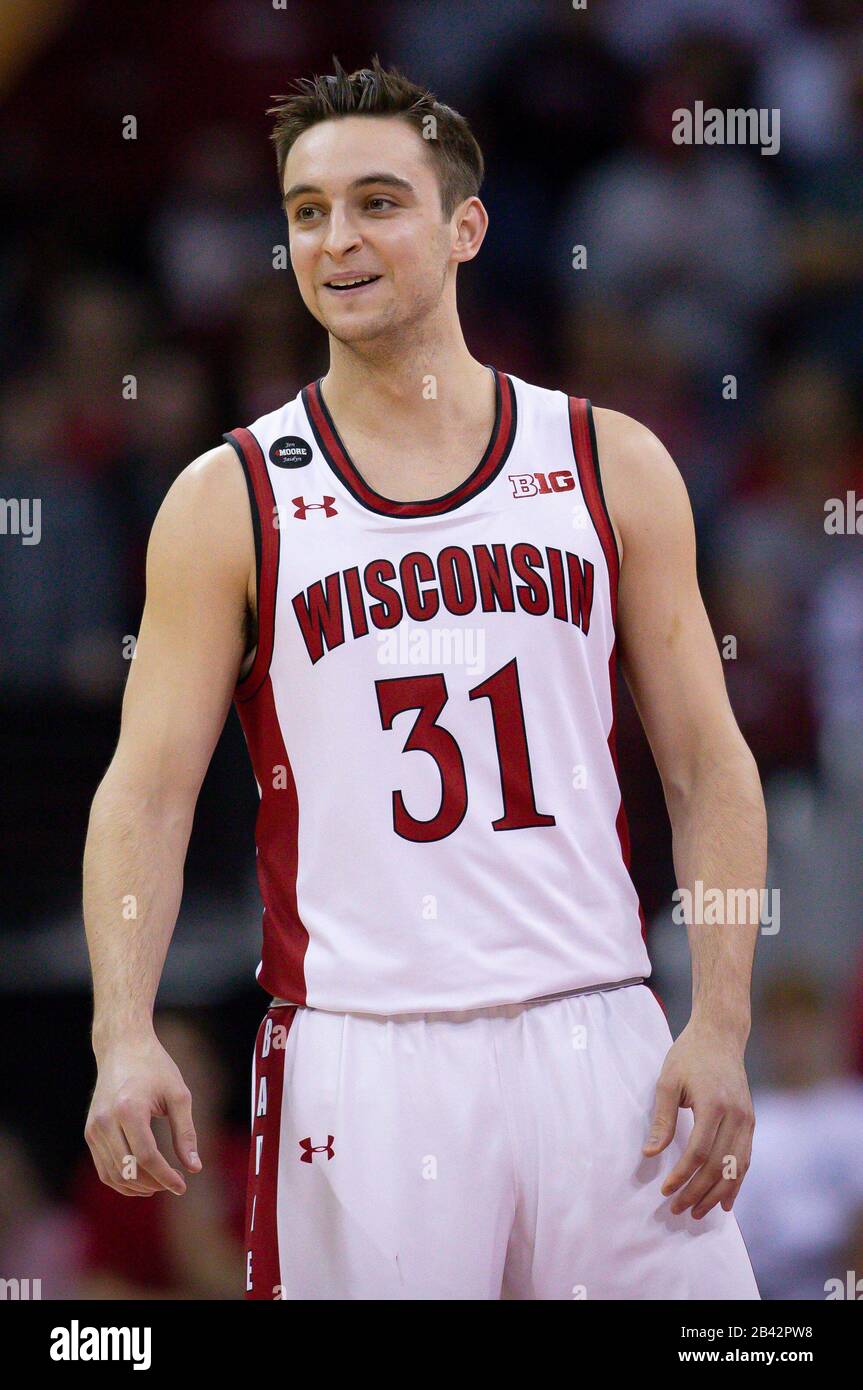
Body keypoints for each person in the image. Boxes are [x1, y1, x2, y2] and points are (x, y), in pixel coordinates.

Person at [83, 56, 764, 1300]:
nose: (335, 238)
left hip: (598, 1030)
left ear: (464, 228)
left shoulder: (609, 460)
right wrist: (122, 1029)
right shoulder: (227, 496)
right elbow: (145, 793)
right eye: (305, 210)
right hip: (365, 1054)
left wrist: (717, 1022)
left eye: (376, 202)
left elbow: (706, 763)